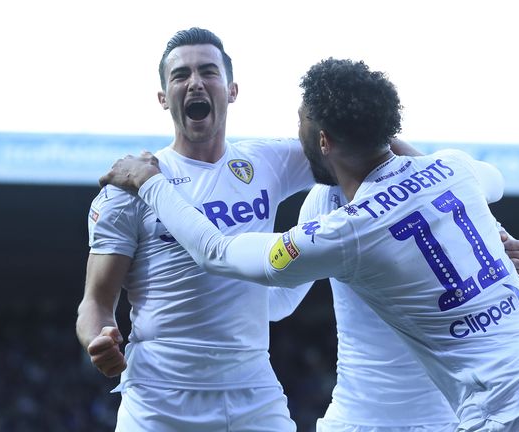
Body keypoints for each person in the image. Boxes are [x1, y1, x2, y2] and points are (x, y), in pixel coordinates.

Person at [99, 58, 519, 430]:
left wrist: (150, 185)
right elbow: (493, 182)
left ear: (323, 141)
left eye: (303, 122)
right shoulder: (454, 170)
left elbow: (217, 252)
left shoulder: (346, 229)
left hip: (509, 404)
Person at [75, 27, 417, 431]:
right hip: (159, 401)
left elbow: (371, 146)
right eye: (181, 76)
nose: (196, 82)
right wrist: (97, 338)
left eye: (208, 71)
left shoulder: (265, 162)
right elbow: (95, 301)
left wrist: (464, 210)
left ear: (232, 90)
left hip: (253, 394)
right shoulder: (130, 185)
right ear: (164, 98)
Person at [269, 183, 519, 431]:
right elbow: (280, 302)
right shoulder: (326, 198)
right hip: (357, 417)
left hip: (447, 417)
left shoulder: (439, 180)